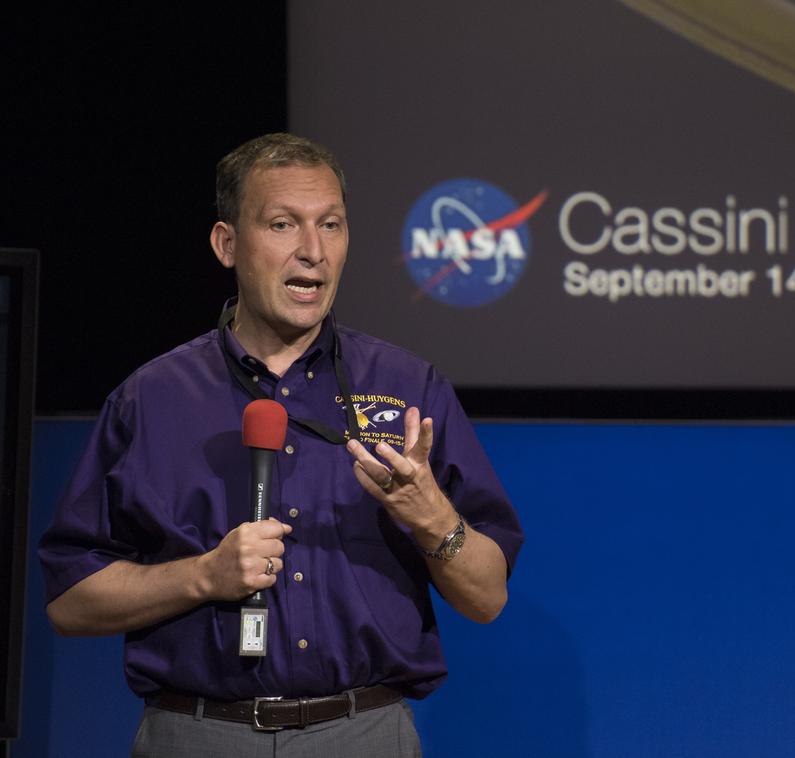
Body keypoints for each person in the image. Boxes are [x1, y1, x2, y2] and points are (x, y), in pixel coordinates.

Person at [38, 133, 523, 757]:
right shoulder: (150, 400)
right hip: (197, 735)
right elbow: (69, 603)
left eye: (331, 225)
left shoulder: (408, 389)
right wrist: (203, 576)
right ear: (227, 244)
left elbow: (486, 598)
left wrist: (431, 517)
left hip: (364, 733)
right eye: (282, 224)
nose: (313, 251)